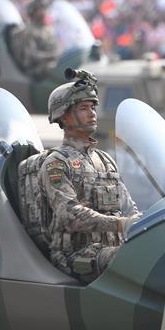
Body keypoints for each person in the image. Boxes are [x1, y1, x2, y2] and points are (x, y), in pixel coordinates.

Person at [38, 69, 139, 282]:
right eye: (84, 108)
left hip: (110, 249)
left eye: (93, 106)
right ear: (63, 115)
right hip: (74, 255)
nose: (93, 112)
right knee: (135, 260)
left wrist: (143, 222)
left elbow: (129, 207)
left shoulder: (104, 160)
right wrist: (120, 224)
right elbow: (68, 214)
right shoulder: (56, 162)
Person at [11, 0, 58, 80]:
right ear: (33, 12)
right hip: (35, 71)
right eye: (40, 9)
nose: (43, 12)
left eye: (44, 9)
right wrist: (51, 56)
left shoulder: (47, 29)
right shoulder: (28, 32)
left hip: (48, 65)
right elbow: (31, 56)